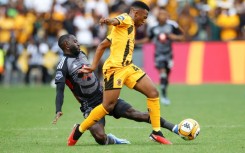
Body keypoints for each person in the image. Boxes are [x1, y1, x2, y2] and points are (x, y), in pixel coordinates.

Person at [73, 1, 172, 145]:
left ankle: (156, 132)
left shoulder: (123, 30)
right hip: (115, 69)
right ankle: (78, 131)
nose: (144, 21)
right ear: (135, 12)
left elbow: (102, 45)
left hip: (128, 67)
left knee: (153, 93)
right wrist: (108, 21)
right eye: (143, 17)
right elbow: (116, 20)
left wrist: (94, 66)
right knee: (108, 106)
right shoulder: (125, 19)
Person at [53, 34, 180, 146]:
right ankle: (112, 140)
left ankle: (174, 128)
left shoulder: (82, 54)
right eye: (74, 41)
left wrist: (103, 80)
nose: (78, 43)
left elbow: (93, 70)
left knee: (137, 114)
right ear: (66, 45)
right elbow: (60, 90)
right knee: (100, 138)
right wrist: (58, 109)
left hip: (105, 96)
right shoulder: (63, 65)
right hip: (89, 105)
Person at [136, 7, 184, 105]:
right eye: (161, 14)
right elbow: (148, 39)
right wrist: (136, 42)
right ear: (158, 16)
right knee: (162, 72)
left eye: (164, 14)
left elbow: (182, 36)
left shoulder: (172, 25)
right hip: (159, 54)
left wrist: (174, 37)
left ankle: (164, 91)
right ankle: (163, 96)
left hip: (169, 54)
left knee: (167, 75)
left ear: (167, 16)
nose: (163, 16)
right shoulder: (153, 27)